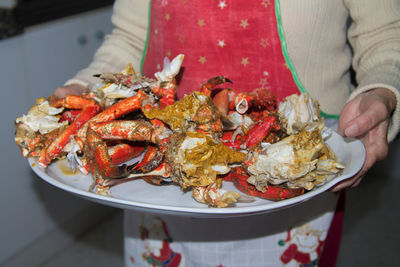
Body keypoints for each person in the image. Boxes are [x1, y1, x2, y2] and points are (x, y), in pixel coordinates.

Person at [54, 0, 400, 266]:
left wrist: (383, 89)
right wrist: (82, 90)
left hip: (293, 180)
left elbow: (385, 33)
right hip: (156, 178)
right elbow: (131, 37)